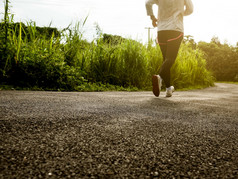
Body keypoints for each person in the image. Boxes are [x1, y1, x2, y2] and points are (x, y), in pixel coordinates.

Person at [145, 0, 193, 97]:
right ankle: (159, 76)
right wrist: (180, 13)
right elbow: (190, 9)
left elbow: (147, 3)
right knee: (170, 59)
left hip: (161, 29)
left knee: (166, 60)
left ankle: (168, 89)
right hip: (175, 28)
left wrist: (153, 17)